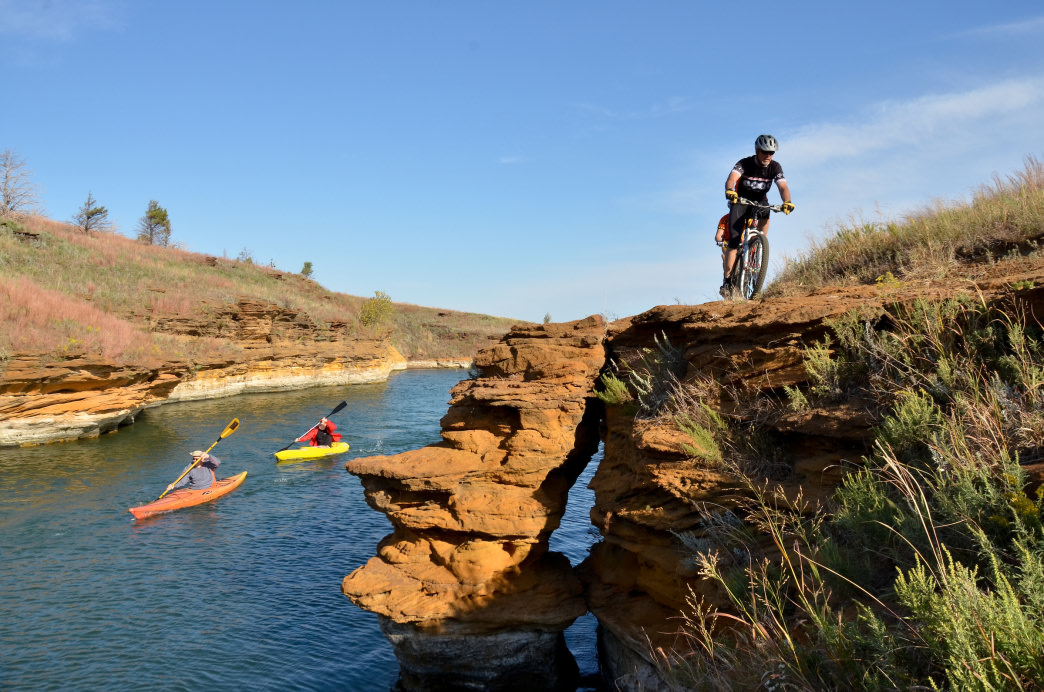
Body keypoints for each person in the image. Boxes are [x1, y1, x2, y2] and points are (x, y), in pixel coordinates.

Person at [716, 134, 795, 297]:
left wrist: (787, 201)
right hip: (740, 200)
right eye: (765, 152)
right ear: (757, 151)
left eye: (771, 152)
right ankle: (727, 281)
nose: (768, 155)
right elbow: (731, 179)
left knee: (766, 212)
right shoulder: (745, 163)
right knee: (734, 240)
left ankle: (758, 244)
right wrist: (730, 190)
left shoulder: (775, 167)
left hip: (760, 200)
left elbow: (783, 187)